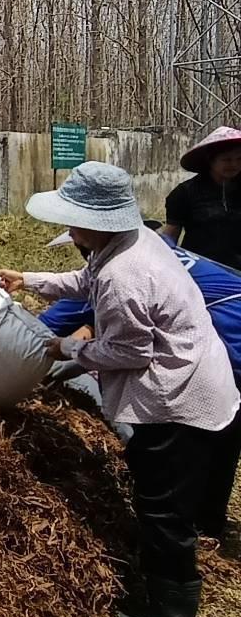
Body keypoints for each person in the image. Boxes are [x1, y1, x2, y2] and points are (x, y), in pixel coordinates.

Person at [0, 162, 239, 617]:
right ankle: (171, 584)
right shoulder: (131, 242)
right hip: (194, 379)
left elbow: (128, 351)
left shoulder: (126, 274)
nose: (66, 228)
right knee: (168, 497)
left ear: (93, 221)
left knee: (163, 504)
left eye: (71, 218)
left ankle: (172, 616)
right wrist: (29, 278)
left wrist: (67, 349)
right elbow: (84, 280)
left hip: (175, 399)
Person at [40, 220, 241, 547]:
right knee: (224, 428)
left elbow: (54, 328)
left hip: (229, 343)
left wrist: (61, 350)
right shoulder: (153, 248)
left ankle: (176, 534)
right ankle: (207, 523)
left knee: (178, 447)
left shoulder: (119, 274)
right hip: (221, 337)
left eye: (80, 243)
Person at [164, 125, 241, 272]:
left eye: (239, 159)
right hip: (201, 271)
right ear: (210, 160)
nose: (234, 165)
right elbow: (170, 237)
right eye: (227, 160)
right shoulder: (184, 193)